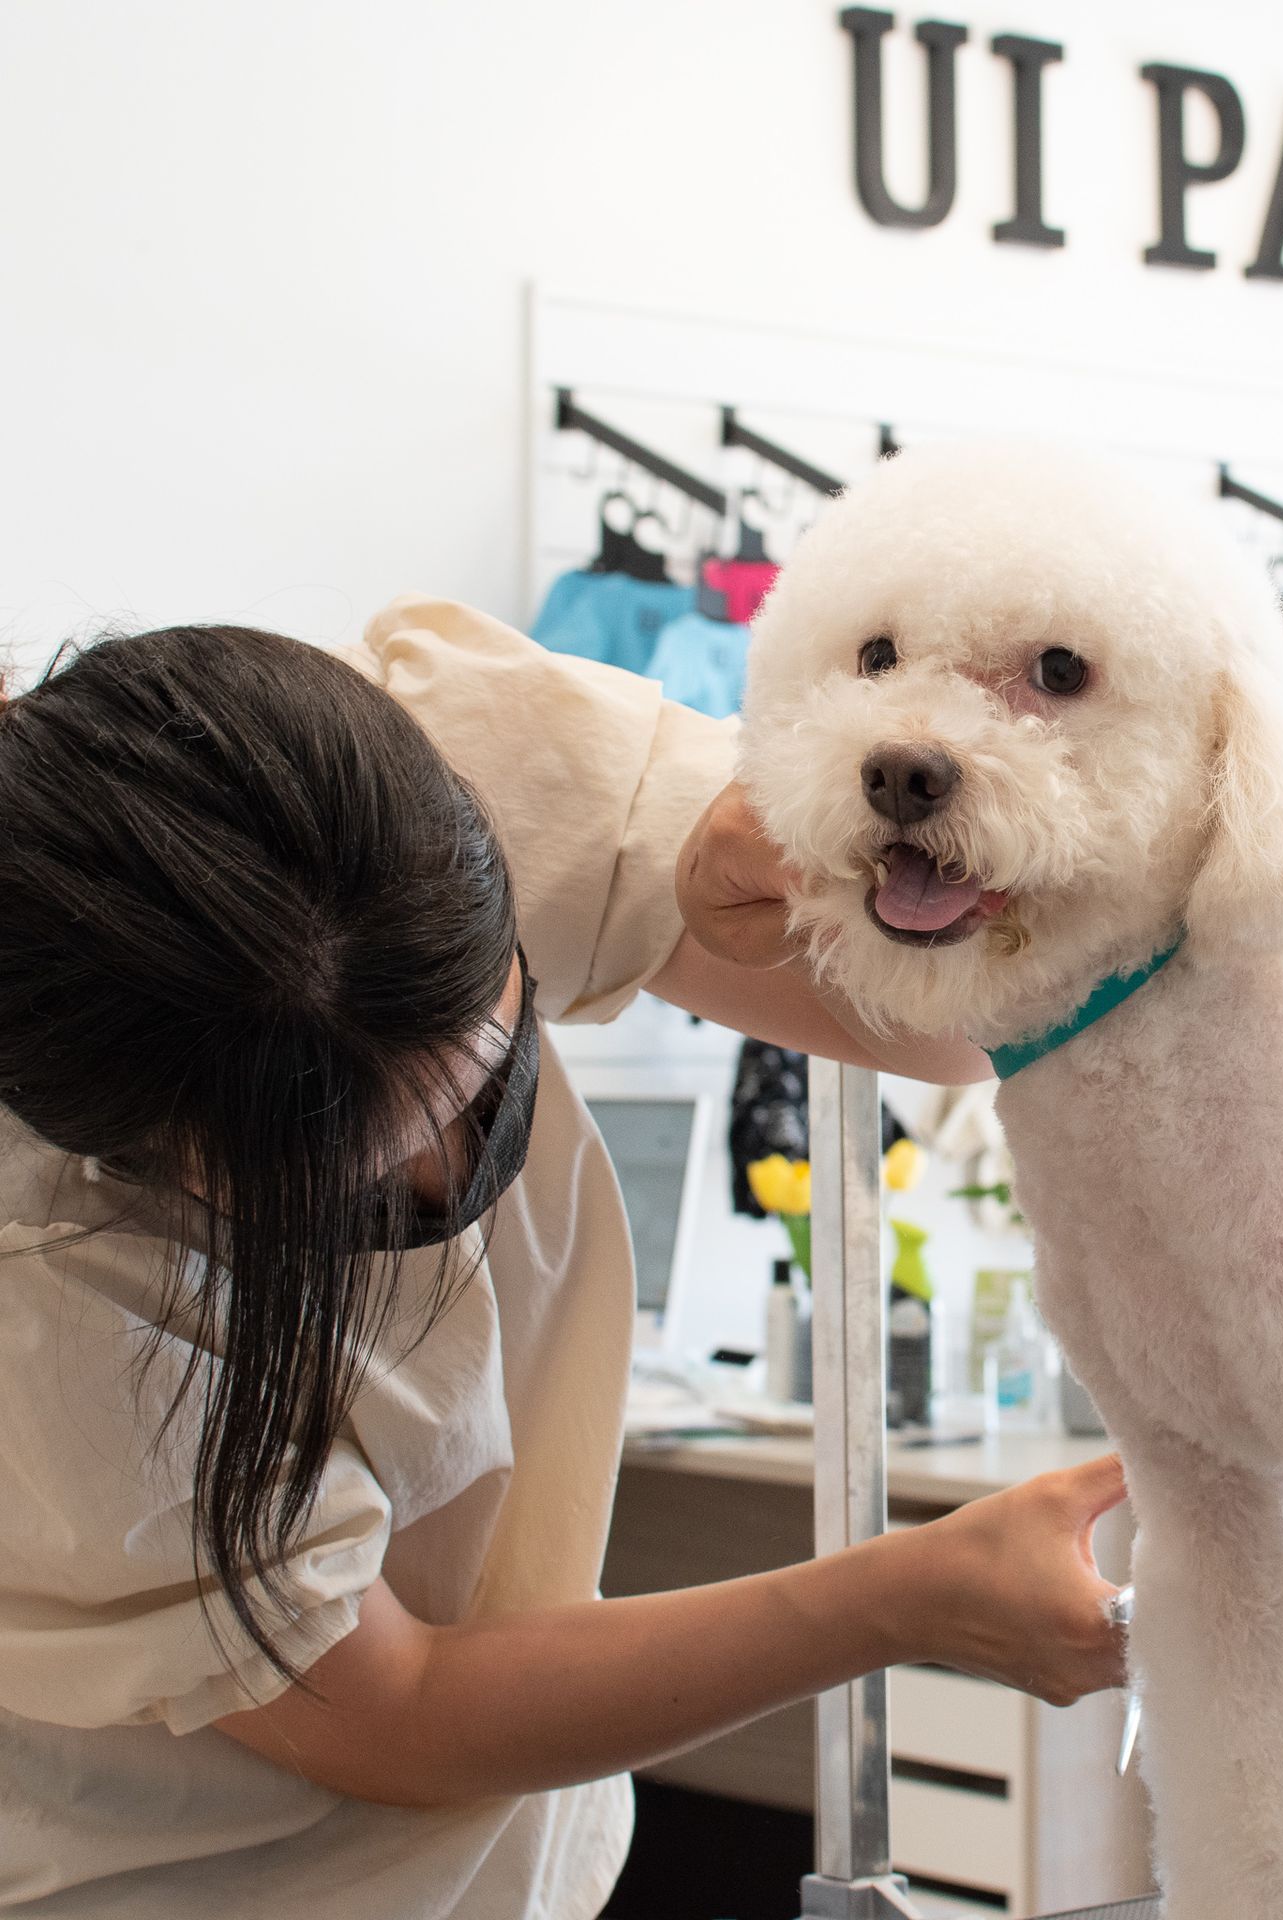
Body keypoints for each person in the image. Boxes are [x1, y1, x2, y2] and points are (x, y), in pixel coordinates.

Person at [0, 596, 1127, 1919]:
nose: (446, 1179)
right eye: (350, 1186)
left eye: (486, 1078)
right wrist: (903, 1602)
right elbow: (405, 1710)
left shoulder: (411, 777)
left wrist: (857, 881)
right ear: (149, 1161)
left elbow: (982, 1024)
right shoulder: (45, 1270)